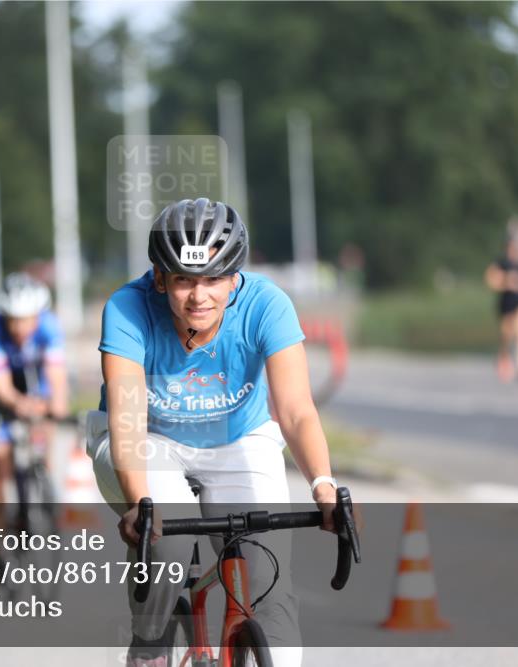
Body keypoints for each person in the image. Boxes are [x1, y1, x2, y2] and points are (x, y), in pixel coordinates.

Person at [87, 197, 339, 667]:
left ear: (235, 277)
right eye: (183, 280)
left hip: (239, 438)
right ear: (159, 278)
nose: (199, 296)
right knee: (167, 543)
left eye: (214, 279)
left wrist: (323, 487)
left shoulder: (267, 305)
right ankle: (149, 644)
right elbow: (127, 420)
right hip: (148, 441)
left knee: (269, 583)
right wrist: (141, 503)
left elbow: (295, 410)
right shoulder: (127, 308)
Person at [0, 273, 70, 539]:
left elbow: (56, 375)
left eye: (26, 319)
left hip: (35, 379)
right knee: (1, 467)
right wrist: (18, 403)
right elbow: (1, 385)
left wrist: (57, 405)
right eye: (13, 320)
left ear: (38, 315)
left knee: (46, 427)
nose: (19, 328)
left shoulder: (49, 326)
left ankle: (42, 476)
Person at [485, 231, 518, 382]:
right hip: (506, 306)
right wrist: (506, 282)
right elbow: (491, 281)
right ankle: (504, 359)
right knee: (507, 337)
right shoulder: (501, 264)